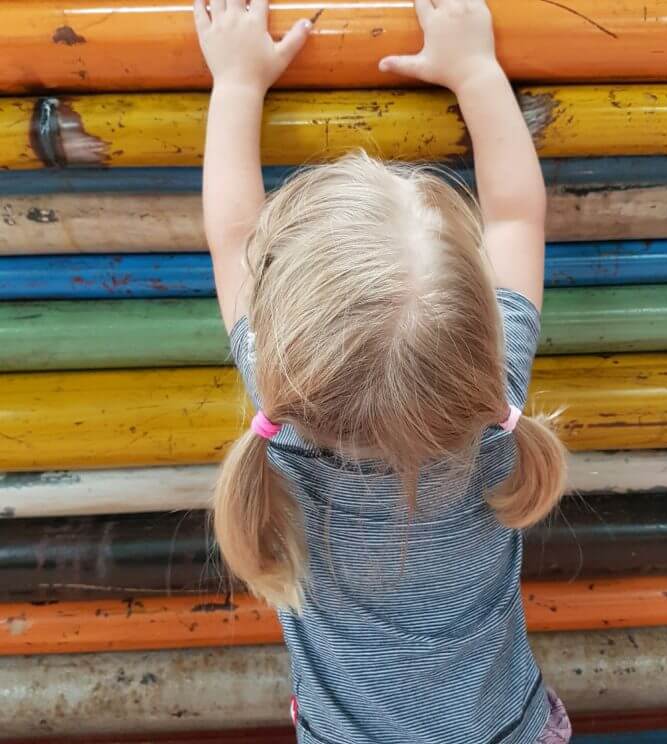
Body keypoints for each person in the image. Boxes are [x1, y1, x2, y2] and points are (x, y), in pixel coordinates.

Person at [194, 0, 570, 741]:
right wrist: (475, 69)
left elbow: (232, 228)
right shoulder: (496, 407)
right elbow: (518, 217)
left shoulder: (284, 408)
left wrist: (237, 83)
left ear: (283, 327)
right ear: (479, 329)